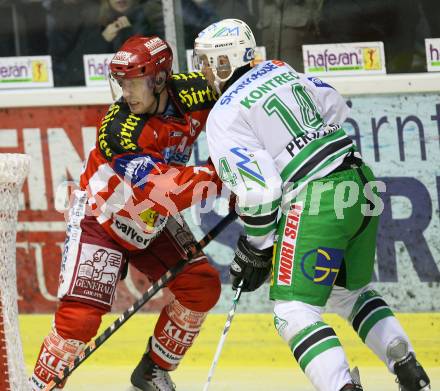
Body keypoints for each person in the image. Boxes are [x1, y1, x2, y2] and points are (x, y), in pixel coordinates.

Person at [193, 18, 431, 391]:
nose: (205, 71)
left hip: (319, 198)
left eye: (209, 62)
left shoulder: (223, 113)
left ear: (227, 61)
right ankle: (405, 363)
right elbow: (334, 104)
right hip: (360, 183)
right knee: (346, 292)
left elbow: (260, 192)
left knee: (293, 311)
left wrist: (255, 247)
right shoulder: (279, 70)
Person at [30, 35, 222, 391]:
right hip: (102, 218)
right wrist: (226, 176)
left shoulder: (196, 93)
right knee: (79, 321)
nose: (126, 92)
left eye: (134, 83)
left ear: (161, 79)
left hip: (150, 221)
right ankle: (37, 387)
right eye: (122, 83)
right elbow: (168, 192)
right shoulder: (120, 129)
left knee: (200, 286)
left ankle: (152, 371)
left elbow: (239, 104)